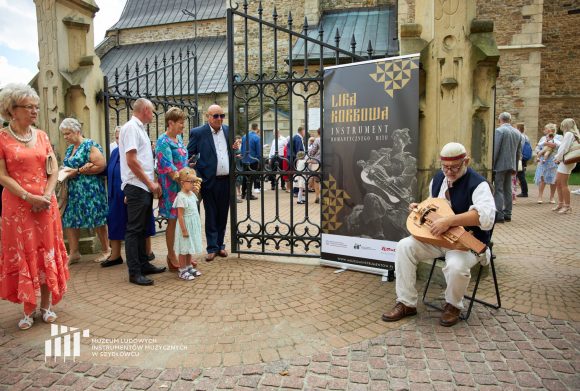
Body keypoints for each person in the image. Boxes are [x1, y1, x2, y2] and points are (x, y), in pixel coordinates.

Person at [381, 142, 495, 327]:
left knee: (456, 266)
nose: (448, 172)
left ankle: (453, 305)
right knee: (404, 246)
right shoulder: (438, 179)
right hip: (438, 238)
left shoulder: (478, 184)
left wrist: (449, 222)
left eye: (454, 168)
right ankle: (406, 303)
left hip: (466, 242)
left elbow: (485, 218)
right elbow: (436, 206)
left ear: (466, 161)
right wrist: (421, 209)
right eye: (445, 167)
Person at [0, 83, 69, 330]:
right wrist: (28, 197)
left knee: (45, 251)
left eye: (36, 107)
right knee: (24, 251)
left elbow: (53, 169)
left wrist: (48, 195)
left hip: (45, 205)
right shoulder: (2, 138)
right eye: (29, 107)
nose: (34, 112)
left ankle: (46, 306)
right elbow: (2, 175)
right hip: (18, 208)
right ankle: (27, 309)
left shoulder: (42, 136)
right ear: (11, 110)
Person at [119, 98, 165, 286]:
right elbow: (131, 160)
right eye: (152, 111)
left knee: (142, 228)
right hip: (137, 186)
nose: (153, 115)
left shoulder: (139, 129)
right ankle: (134, 272)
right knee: (134, 229)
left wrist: (152, 182)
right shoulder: (131, 128)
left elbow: (144, 161)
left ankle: (144, 264)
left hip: (142, 186)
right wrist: (150, 183)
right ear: (145, 110)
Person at [187, 104, 239, 262]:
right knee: (211, 214)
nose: (219, 119)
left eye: (222, 115)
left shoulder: (228, 130)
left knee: (223, 214)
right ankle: (211, 247)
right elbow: (189, 154)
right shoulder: (198, 133)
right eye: (216, 116)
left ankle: (220, 245)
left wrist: (235, 149)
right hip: (209, 180)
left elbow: (233, 152)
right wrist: (197, 170)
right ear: (207, 117)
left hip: (226, 180)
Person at [102, 126, 156, 268]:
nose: (120, 140)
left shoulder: (136, 153)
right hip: (115, 194)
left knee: (140, 224)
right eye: (117, 138)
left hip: (132, 192)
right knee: (115, 221)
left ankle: (146, 252)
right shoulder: (114, 153)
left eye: (122, 137)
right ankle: (115, 255)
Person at [60, 118, 110, 263]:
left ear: (77, 131)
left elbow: (100, 165)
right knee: (70, 219)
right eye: (64, 134)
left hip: (90, 190)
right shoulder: (70, 149)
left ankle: (106, 249)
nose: (65, 137)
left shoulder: (89, 145)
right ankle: (74, 252)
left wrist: (78, 171)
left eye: (68, 133)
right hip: (73, 191)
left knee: (97, 218)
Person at [155, 107, 188, 271]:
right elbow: (168, 167)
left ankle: (184, 255)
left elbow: (183, 161)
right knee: (173, 221)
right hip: (172, 188)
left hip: (184, 186)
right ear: (170, 123)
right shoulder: (163, 142)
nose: (183, 126)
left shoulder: (178, 138)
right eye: (180, 123)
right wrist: (184, 179)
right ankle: (171, 256)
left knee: (184, 220)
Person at [173, 167, 203, 280]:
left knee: (189, 248)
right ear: (182, 183)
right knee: (183, 249)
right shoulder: (181, 197)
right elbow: (180, 215)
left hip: (192, 225)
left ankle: (189, 266)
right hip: (185, 226)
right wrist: (184, 229)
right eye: (190, 182)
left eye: (194, 182)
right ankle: (182, 270)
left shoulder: (192, 194)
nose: (193, 184)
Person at [493, 112, 522, 223]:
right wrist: (515, 166)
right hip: (511, 164)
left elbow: (496, 149)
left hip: (500, 165)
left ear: (500, 120)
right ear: (509, 120)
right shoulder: (517, 132)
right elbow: (518, 152)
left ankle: (499, 214)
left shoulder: (499, 131)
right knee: (508, 189)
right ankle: (508, 213)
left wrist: (492, 164)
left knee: (499, 189)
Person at [553, 118, 580, 214]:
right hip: (567, 161)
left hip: (566, 161)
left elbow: (564, 148)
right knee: (558, 182)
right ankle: (561, 203)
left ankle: (567, 206)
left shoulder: (569, 134)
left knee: (563, 183)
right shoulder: (575, 134)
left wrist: (557, 158)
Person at [534, 123, 561, 204]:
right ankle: (540, 196)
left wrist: (549, 144)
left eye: (545, 129)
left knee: (553, 179)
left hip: (553, 160)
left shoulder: (559, 137)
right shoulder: (543, 138)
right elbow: (537, 147)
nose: (544, 130)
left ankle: (552, 197)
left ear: (549, 130)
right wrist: (539, 152)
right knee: (542, 178)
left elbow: (560, 147)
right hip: (543, 161)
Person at [241, 123, 261, 200]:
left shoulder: (244, 136)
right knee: (251, 177)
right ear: (257, 128)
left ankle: (243, 194)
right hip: (253, 159)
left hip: (244, 159)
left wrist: (243, 157)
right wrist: (259, 160)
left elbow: (242, 148)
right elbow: (259, 151)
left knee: (245, 177)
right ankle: (249, 195)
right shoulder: (257, 137)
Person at [515, 124, 530, 198]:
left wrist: (519, 157)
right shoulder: (526, 136)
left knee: (521, 174)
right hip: (524, 157)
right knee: (520, 174)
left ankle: (524, 192)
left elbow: (520, 147)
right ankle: (524, 191)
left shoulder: (521, 136)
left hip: (521, 158)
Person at [308, 128, 321, 203]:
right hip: (326, 162)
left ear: (318, 132)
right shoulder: (328, 140)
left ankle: (317, 196)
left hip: (317, 162)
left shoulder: (317, 140)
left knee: (316, 180)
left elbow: (312, 151)